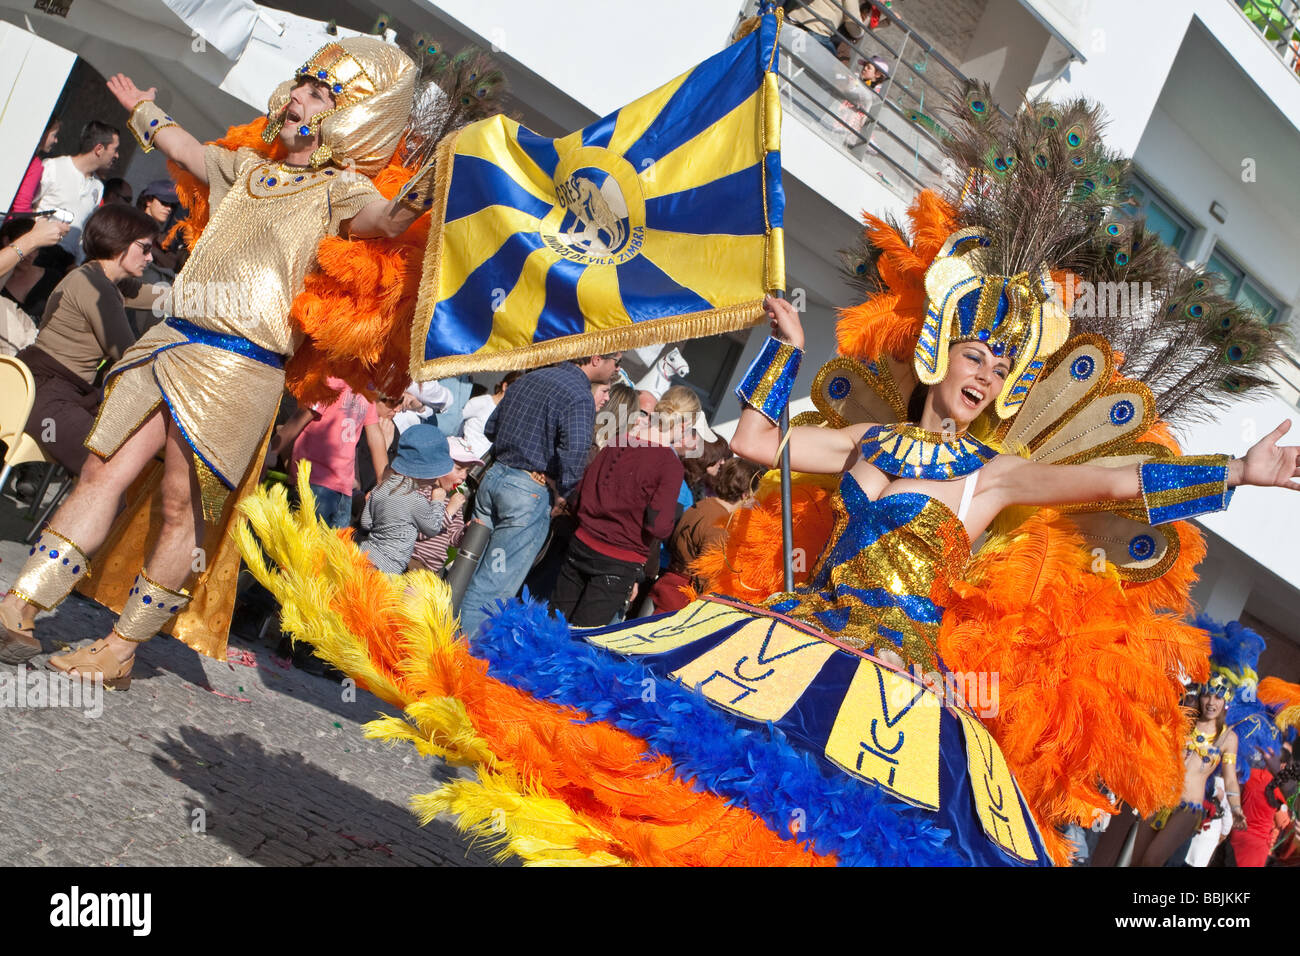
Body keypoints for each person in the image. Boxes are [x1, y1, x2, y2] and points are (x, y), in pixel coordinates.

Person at [0, 37, 427, 684]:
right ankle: (18, 605)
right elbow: (184, 149)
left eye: (318, 94)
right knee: (99, 471)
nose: (297, 99)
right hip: (170, 341)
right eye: (300, 85)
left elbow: (389, 220)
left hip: (239, 370)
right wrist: (144, 111)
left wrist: (436, 179)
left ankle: (119, 649)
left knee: (181, 506)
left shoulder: (342, 191)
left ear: (343, 117)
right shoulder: (245, 167)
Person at [457, 352, 621, 637]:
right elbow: (575, 458)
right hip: (525, 493)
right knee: (493, 587)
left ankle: (439, 642)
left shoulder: (531, 378)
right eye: (615, 361)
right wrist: (562, 493)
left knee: (466, 569)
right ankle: (456, 660)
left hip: (495, 480)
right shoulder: (579, 396)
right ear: (596, 358)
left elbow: (491, 428)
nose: (616, 369)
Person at [13, 205, 160, 475]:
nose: (151, 258)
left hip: (52, 393)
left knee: (110, 470)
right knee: (105, 475)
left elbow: (166, 298)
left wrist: (226, 298)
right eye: (145, 248)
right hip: (46, 400)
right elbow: (129, 355)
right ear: (119, 242)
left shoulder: (103, 280)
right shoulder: (95, 287)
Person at [550, 386, 697, 627]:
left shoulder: (620, 440)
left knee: (552, 623)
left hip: (583, 543)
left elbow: (582, 493)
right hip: (619, 558)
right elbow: (658, 525)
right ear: (683, 425)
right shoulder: (669, 464)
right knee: (580, 638)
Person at [1092, 678, 1243, 866]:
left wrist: (1236, 808)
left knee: (1152, 860)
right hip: (1161, 799)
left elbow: (1230, 780)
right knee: (1137, 861)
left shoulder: (1228, 738)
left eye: (1218, 697)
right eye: (1207, 696)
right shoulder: (1184, 722)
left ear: (1226, 700)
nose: (1211, 703)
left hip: (1189, 808)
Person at [651, 456, 763, 614]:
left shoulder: (702, 505)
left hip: (669, 589)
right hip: (682, 604)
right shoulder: (721, 524)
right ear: (745, 494)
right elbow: (707, 580)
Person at [275, 376, 389, 529]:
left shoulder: (362, 386)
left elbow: (375, 434)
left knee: (323, 548)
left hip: (332, 486)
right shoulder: (335, 382)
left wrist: (384, 482)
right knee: (316, 546)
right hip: (319, 482)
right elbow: (298, 419)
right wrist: (270, 452)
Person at [360, 425, 468, 575]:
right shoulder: (416, 500)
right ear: (426, 472)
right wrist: (437, 501)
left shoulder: (380, 489)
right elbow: (432, 528)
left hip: (365, 555)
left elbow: (366, 522)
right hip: (388, 568)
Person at [31, 120, 120, 257]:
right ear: (99, 149)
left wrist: (76, 262)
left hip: (65, 261)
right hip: (37, 252)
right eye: (115, 150)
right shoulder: (54, 167)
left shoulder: (98, 187)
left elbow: (84, 230)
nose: (117, 155)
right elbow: (27, 207)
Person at [409, 436, 485, 576]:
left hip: (433, 571)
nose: (463, 476)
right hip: (412, 563)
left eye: (467, 471)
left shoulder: (451, 498)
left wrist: (466, 532)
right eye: (459, 469)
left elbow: (453, 539)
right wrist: (449, 511)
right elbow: (418, 531)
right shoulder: (422, 491)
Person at [458, 370, 521, 459]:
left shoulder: (509, 413)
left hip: (485, 463)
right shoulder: (482, 402)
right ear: (505, 386)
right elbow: (457, 420)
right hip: (466, 456)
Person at [11, 117, 61, 214]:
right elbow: (21, 208)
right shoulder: (35, 165)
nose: (56, 140)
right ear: (42, 132)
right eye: (54, 135)